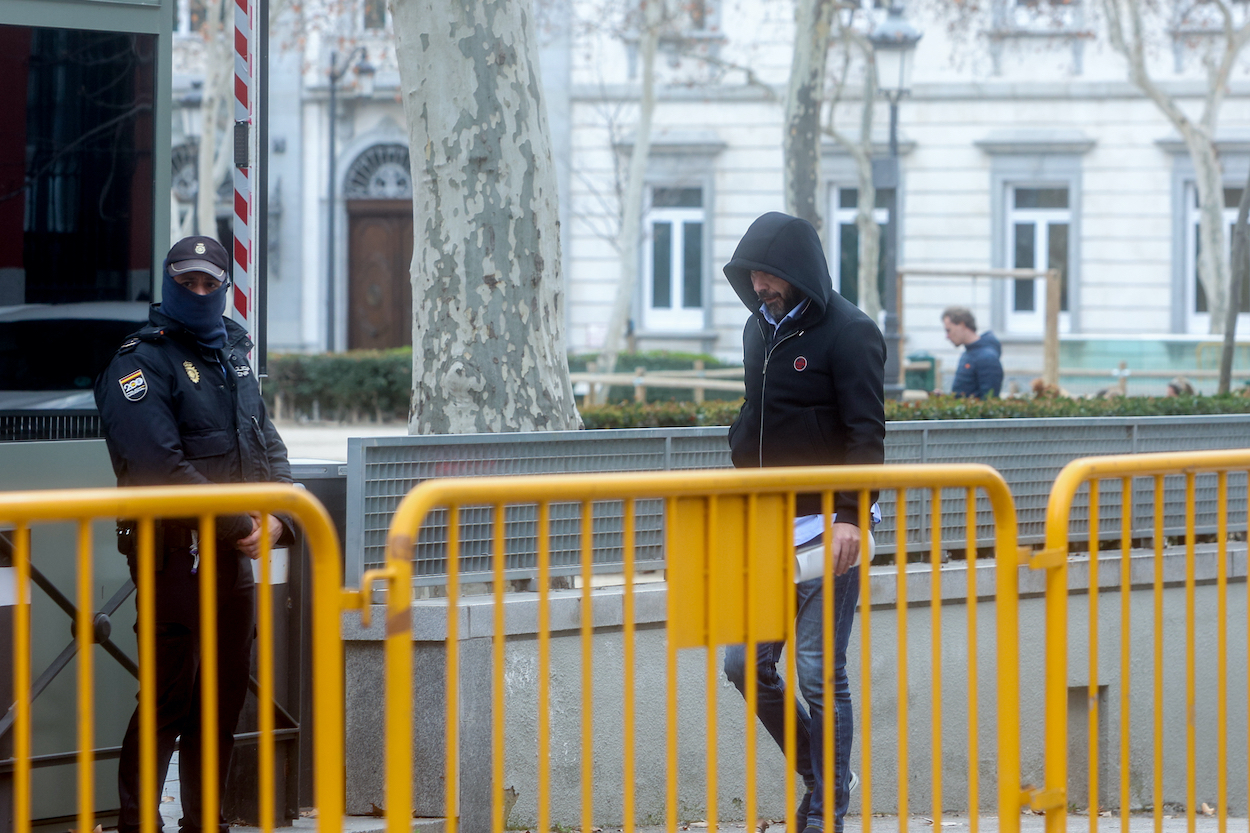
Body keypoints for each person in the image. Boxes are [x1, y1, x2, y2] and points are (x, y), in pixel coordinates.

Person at [94, 236, 295, 833]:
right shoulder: (138, 360)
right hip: (170, 554)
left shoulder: (232, 352)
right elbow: (158, 466)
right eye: (189, 283)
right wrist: (242, 524)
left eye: (211, 283)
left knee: (224, 695)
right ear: (167, 283)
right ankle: (138, 823)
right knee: (167, 696)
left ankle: (207, 820)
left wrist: (280, 514)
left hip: (230, 556)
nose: (201, 293)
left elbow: (268, 443)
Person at [722, 212, 886, 833]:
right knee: (743, 664)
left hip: (829, 531)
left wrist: (849, 515)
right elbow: (754, 410)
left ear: (798, 271)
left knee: (820, 672)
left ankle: (824, 818)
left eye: (768, 273)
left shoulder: (851, 333)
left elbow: (866, 434)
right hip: (767, 526)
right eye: (751, 274)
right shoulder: (756, 329)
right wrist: (739, 445)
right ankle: (826, 776)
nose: (759, 284)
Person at [941, 306, 1003, 399]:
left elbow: (989, 402)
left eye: (948, 330)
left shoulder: (987, 358)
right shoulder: (967, 354)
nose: (947, 336)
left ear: (961, 325)